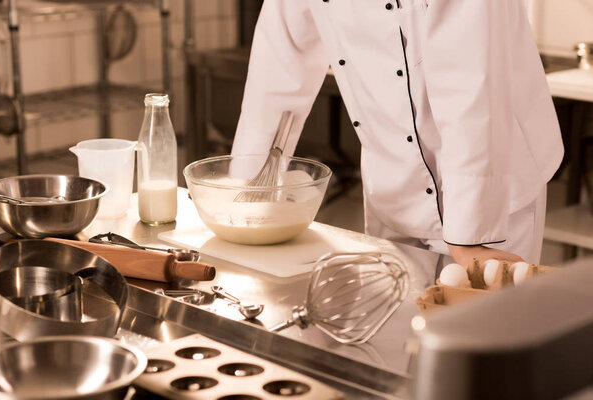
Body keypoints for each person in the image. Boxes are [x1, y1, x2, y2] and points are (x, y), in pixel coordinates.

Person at [231, 0, 564, 270]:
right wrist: (249, 190)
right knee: (397, 332)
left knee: (482, 333)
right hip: (392, 177)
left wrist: (470, 238)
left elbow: (471, 85)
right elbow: (279, 64)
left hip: (491, 181)